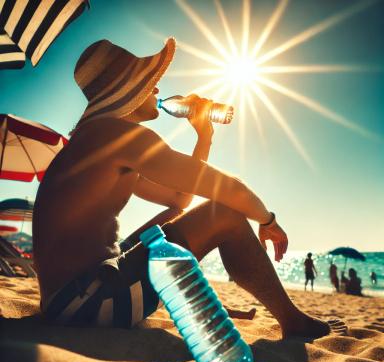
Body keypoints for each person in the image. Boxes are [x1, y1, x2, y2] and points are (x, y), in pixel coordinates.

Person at [33, 37, 342, 339]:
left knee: (174, 217)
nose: (156, 88)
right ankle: (293, 322)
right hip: (88, 306)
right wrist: (267, 220)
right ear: (128, 90)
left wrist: (203, 136)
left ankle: (233, 306)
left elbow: (181, 200)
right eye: (147, 80)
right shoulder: (119, 136)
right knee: (226, 213)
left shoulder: (93, 141)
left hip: (65, 302)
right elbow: (226, 190)